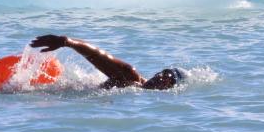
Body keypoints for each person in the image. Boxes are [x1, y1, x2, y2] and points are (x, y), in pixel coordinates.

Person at [30, 35, 185, 90]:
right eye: (164, 73)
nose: (163, 79)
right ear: (157, 73)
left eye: (169, 80)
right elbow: (98, 55)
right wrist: (66, 41)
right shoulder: (130, 76)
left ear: (169, 88)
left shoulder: (138, 90)